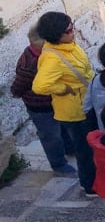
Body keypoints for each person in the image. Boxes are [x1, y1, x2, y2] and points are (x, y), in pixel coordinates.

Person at [31, 11, 97, 196]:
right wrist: (64, 88)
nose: (73, 32)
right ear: (56, 35)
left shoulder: (68, 45)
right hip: (74, 110)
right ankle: (89, 186)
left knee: (89, 146)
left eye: (72, 27)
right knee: (84, 151)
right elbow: (39, 85)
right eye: (68, 30)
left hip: (85, 102)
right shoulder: (52, 57)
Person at [10, 27, 75, 176]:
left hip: (55, 101)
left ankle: (70, 149)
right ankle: (59, 165)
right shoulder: (30, 63)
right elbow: (17, 87)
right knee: (51, 136)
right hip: (40, 107)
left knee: (63, 127)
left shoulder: (46, 54)